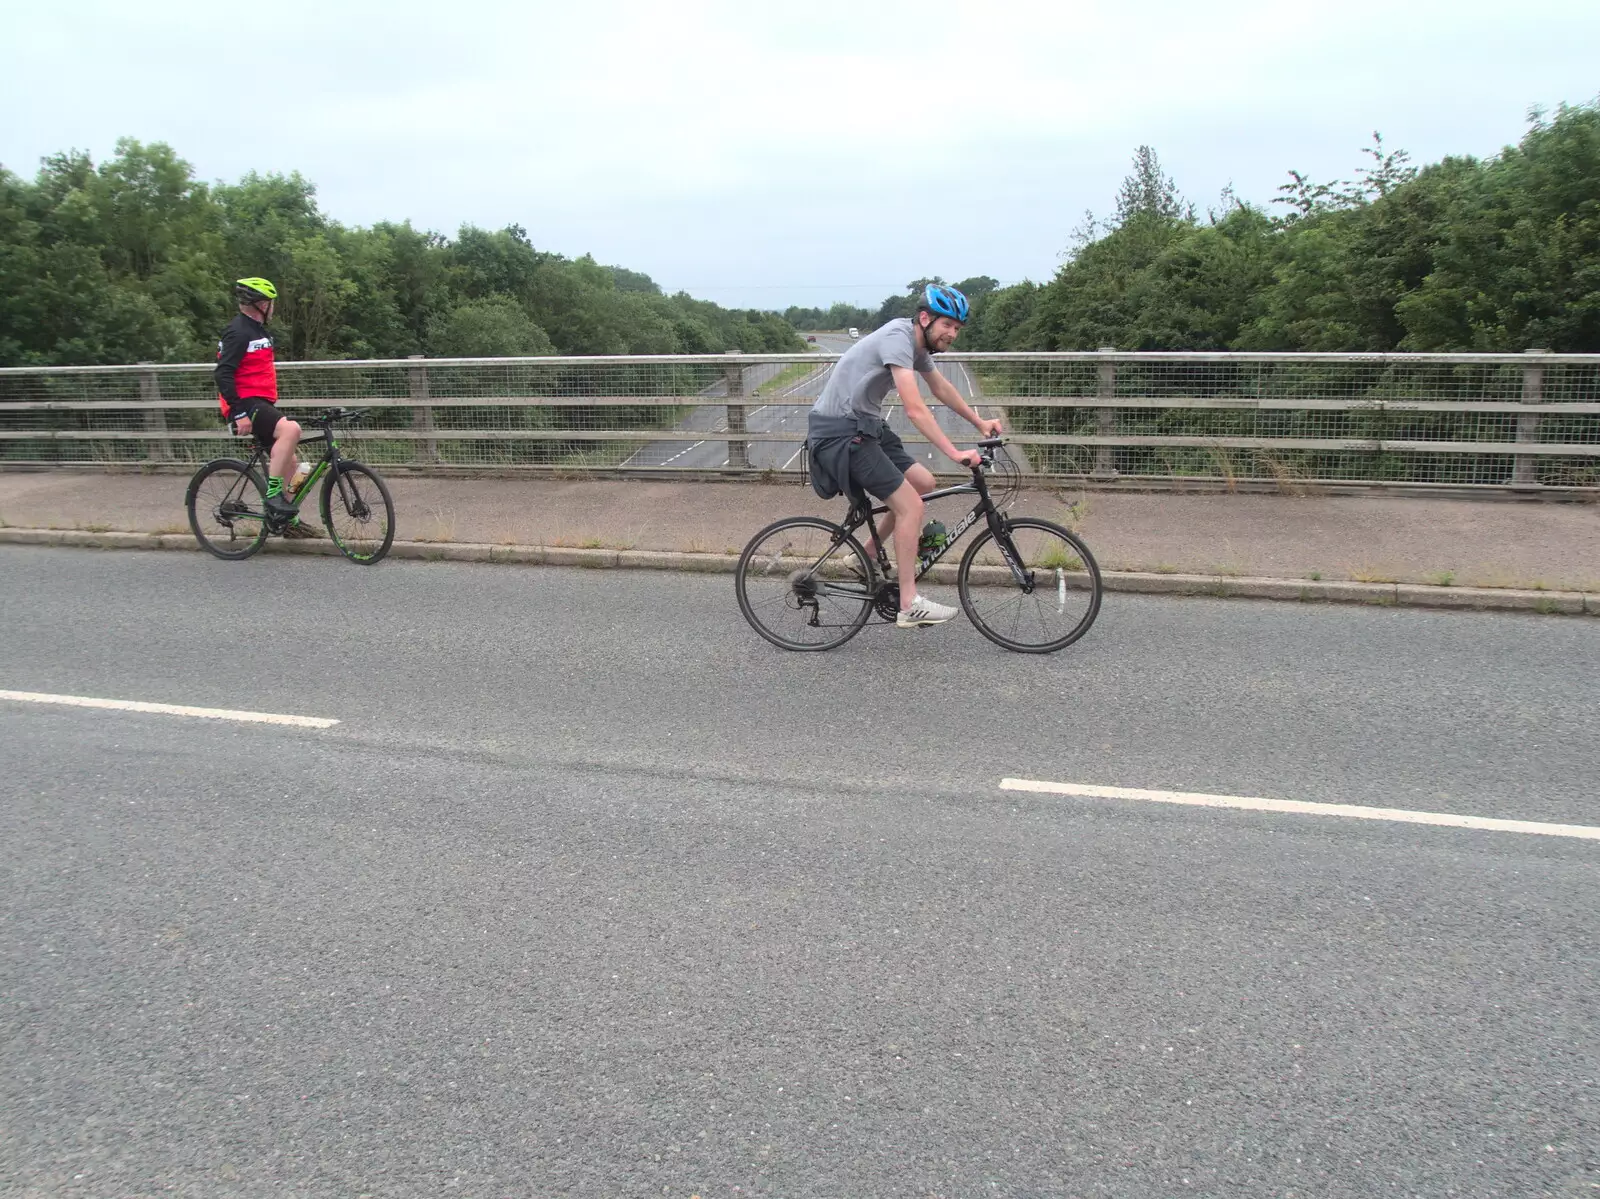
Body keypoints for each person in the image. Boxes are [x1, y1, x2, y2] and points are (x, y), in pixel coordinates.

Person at [807, 283, 1002, 627]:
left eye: (957, 328)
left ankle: (867, 552)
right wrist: (955, 453)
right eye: (947, 325)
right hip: (840, 433)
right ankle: (909, 604)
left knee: (924, 482)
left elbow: (940, 387)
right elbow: (914, 408)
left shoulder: (917, 344)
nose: (952, 334)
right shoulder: (898, 338)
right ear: (924, 318)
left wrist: (979, 421)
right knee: (910, 505)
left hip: (865, 426)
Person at [215, 278, 315, 535]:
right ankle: (273, 496)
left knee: (296, 469)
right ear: (260, 304)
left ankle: (287, 521)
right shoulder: (239, 331)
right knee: (292, 430)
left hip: (261, 402)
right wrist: (238, 413)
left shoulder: (259, 330)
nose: (273, 308)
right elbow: (223, 374)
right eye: (271, 303)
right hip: (246, 403)